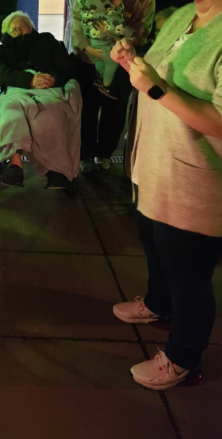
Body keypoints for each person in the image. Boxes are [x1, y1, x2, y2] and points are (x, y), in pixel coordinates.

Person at [111, 0, 222, 390]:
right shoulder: (184, 15)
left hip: (200, 182)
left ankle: (184, 357)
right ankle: (159, 304)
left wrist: (155, 87)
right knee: (155, 243)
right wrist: (132, 64)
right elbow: (157, 75)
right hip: (156, 166)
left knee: (188, 273)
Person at [0, 11, 80, 189]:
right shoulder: (4, 49)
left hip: (48, 89)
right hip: (18, 89)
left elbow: (67, 66)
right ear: (6, 33)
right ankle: (15, 166)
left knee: (54, 113)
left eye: (23, 27)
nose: (20, 31)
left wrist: (53, 78)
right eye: (14, 29)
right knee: (12, 111)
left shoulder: (48, 41)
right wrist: (27, 80)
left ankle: (57, 170)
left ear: (32, 28)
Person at [69, 0, 154, 171]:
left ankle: (104, 153)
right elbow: (77, 23)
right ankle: (85, 154)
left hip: (123, 59)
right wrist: (87, 48)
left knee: (115, 106)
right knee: (86, 107)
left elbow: (141, 33)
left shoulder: (143, 2)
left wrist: (114, 36)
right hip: (87, 58)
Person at [76, 0, 133, 99]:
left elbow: (112, 13)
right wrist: (130, 33)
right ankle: (107, 86)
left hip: (96, 39)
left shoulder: (94, 7)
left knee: (101, 61)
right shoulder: (101, 5)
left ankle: (101, 79)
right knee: (112, 61)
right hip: (100, 40)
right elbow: (115, 26)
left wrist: (121, 14)